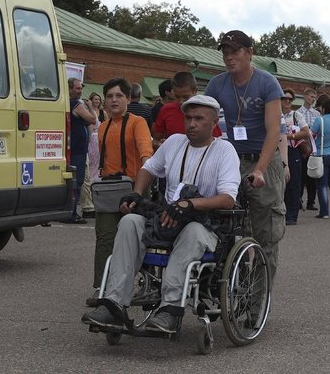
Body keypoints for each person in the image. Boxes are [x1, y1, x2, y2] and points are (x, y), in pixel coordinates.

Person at [81, 95, 240, 332]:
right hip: (168, 219)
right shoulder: (174, 142)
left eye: (199, 119)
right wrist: (137, 193)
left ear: (214, 122)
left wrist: (190, 204)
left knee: (193, 231)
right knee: (130, 221)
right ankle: (113, 304)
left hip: (206, 223)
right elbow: (148, 169)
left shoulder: (224, 150)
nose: (192, 124)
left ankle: (169, 309)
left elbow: (228, 199)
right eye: (188, 118)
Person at [205, 30, 285, 282]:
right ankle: (235, 289)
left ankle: (258, 297)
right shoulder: (217, 84)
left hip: (264, 160)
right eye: (225, 53)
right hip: (232, 160)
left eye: (235, 51)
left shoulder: (267, 83)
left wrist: (260, 168)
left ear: (249, 53)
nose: (229, 57)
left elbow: (274, 130)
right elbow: (203, 118)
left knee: (265, 234)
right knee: (228, 228)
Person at [87, 78, 153, 306]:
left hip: (134, 187)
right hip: (110, 187)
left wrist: (141, 185)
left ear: (128, 98)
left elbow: (146, 152)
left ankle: (146, 283)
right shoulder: (103, 126)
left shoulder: (138, 122)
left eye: (119, 96)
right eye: (110, 96)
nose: (114, 100)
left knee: (139, 238)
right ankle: (102, 287)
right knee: (105, 238)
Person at [153, 72, 221, 149]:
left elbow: (216, 144)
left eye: (185, 97)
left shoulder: (206, 112)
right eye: (177, 96)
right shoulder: (166, 110)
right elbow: (156, 139)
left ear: (195, 91)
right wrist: (162, 145)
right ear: (172, 92)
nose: (181, 101)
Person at [68, 78, 96, 224]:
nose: (80, 91)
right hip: (78, 150)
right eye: (77, 88)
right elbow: (92, 119)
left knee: (77, 181)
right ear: (70, 89)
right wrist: (90, 107)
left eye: (81, 88)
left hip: (76, 148)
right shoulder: (76, 104)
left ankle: (71, 212)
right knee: (77, 182)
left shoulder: (70, 104)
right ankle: (72, 214)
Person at [281, 88, 309, 225]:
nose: (287, 101)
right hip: (277, 150)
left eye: (290, 99)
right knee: (279, 182)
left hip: (292, 150)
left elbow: (306, 132)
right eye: (284, 98)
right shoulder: (275, 114)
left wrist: (289, 136)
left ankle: (291, 216)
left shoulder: (296, 115)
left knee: (293, 182)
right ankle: (281, 213)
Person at [80, 92, 103, 218]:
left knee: (97, 168)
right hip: (91, 142)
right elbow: (90, 125)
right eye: (95, 99)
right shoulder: (88, 112)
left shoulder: (102, 112)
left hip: (99, 141)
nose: (97, 101)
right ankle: (90, 197)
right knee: (91, 168)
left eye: (99, 99)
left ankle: (94, 196)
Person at [297, 88, 321, 210]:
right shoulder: (298, 113)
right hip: (302, 146)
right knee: (300, 174)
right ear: (305, 96)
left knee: (312, 174)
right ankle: (298, 199)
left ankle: (311, 201)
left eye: (314, 97)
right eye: (311, 96)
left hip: (313, 147)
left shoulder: (316, 114)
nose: (313, 99)